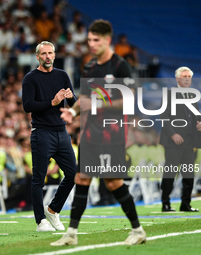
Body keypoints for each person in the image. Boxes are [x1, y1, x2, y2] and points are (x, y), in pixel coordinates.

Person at [51, 20, 146, 246]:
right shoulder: (89, 67)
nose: (91, 44)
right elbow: (84, 99)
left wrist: (97, 105)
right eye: (89, 40)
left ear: (107, 40)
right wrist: (72, 113)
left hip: (111, 133)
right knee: (82, 178)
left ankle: (138, 229)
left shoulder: (120, 66)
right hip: (91, 133)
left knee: (113, 183)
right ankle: (71, 233)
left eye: (95, 40)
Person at [22, 41, 77, 232]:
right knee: (39, 178)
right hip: (42, 132)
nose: (47, 56)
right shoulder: (31, 78)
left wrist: (70, 97)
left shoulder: (62, 75)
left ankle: (53, 210)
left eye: (50, 53)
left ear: (54, 55)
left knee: (73, 173)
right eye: (43, 53)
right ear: (37, 57)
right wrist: (52, 102)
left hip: (61, 132)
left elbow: (72, 104)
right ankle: (40, 221)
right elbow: (28, 106)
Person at [160, 66, 201, 212]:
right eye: (184, 76)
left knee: (189, 173)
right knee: (170, 172)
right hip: (174, 142)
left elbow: (197, 115)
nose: (187, 79)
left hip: (189, 141)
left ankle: (185, 203)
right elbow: (163, 116)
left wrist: (200, 124)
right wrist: (172, 134)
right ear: (177, 78)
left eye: (189, 77)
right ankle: (165, 203)